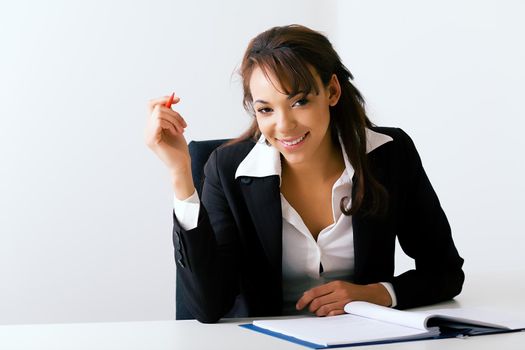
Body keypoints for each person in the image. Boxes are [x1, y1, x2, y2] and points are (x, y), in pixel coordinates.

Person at [144, 24, 464, 324]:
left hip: (364, 337)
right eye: (266, 109)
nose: (284, 125)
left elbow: (445, 272)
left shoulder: (390, 154)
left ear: (332, 92)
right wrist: (180, 174)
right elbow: (207, 305)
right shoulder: (227, 171)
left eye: (299, 101)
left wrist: (376, 294)